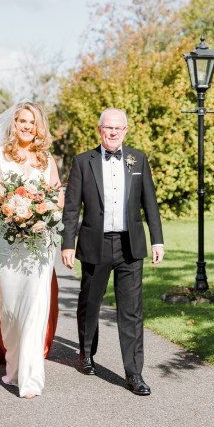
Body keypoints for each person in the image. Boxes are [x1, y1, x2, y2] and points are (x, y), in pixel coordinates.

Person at [61, 108, 164, 396]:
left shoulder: (138, 159)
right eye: (109, 128)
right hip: (96, 243)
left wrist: (157, 240)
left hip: (130, 246)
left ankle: (134, 373)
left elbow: (150, 203)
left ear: (126, 130)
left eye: (119, 128)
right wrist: (68, 243)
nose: (114, 132)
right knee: (89, 304)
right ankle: (86, 353)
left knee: (131, 311)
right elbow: (72, 207)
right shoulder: (83, 162)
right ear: (99, 129)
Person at [0, 101, 64, 399]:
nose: (27, 126)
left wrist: (41, 212)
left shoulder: (46, 159)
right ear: (13, 124)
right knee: (12, 309)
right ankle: (14, 366)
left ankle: (31, 377)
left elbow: (58, 197)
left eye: (32, 122)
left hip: (40, 243)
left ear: (39, 127)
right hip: (8, 241)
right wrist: (10, 207)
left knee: (36, 305)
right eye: (22, 121)